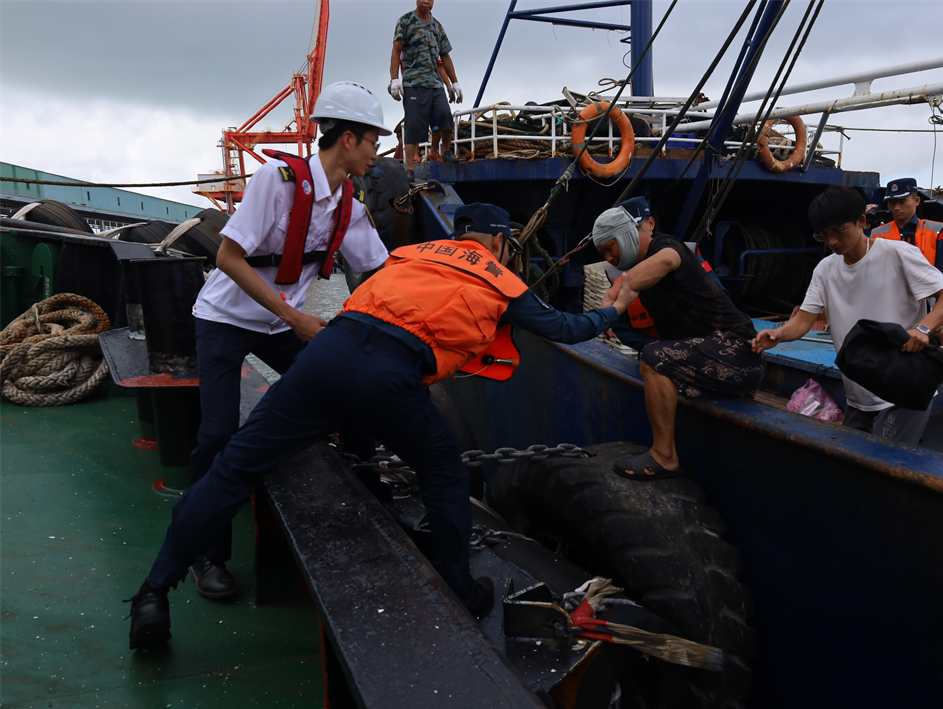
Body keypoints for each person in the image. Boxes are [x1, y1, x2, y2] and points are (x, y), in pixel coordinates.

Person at [126, 202, 639, 651]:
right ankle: (459, 589)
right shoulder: (502, 279)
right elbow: (564, 328)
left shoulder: (410, 254)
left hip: (325, 354)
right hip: (391, 377)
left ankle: (153, 591)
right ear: (502, 243)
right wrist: (613, 308)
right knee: (444, 472)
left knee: (232, 469)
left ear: (457, 234)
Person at [184, 81, 392, 600]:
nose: (377, 151)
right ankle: (205, 551)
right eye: (373, 140)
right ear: (348, 138)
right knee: (216, 433)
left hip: (280, 324)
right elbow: (227, 257)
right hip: (226, 319)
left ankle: (372, 495)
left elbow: (382, 271)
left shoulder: (349, 205)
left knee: (350, 394)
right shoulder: (274, 182)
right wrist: (292, 316)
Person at [752, 185, 943, 445]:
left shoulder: (898, 254)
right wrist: (779, 334)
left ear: (861, 221)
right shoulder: (825, 269)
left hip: (903, 389)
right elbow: (804, 320)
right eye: (824, 234)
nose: (832, 241)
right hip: (858, 393)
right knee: (854, 460)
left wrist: (923, 329)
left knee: (885, 464)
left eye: (839, 231)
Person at [593, 197, 765, 480]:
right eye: (603, 253)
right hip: (707, 356)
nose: (609, 258)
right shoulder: (638, 271)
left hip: (737, 353)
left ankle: (665, 457)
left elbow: (668, 260)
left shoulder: (666, 247)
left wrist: (618, 293)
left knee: (652, 358)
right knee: (652, 354)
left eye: (609, 249)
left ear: (625, 236)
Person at [390, 0, 462, 181]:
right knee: (413, 122)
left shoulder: (437, 26)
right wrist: (395, 79)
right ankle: (410, 167)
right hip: (413, 83)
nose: (426, 2)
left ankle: (446, 151)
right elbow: (396, 51)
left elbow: (445, 56)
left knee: (444, 113)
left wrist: (454, 82)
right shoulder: (405, 21)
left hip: (435, 83)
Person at [871, 177, 943, 281]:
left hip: (924, 290)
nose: (896, 208)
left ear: (916, 201)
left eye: (902, 202)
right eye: (892, 203)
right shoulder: (876, 233)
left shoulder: (936, 231)